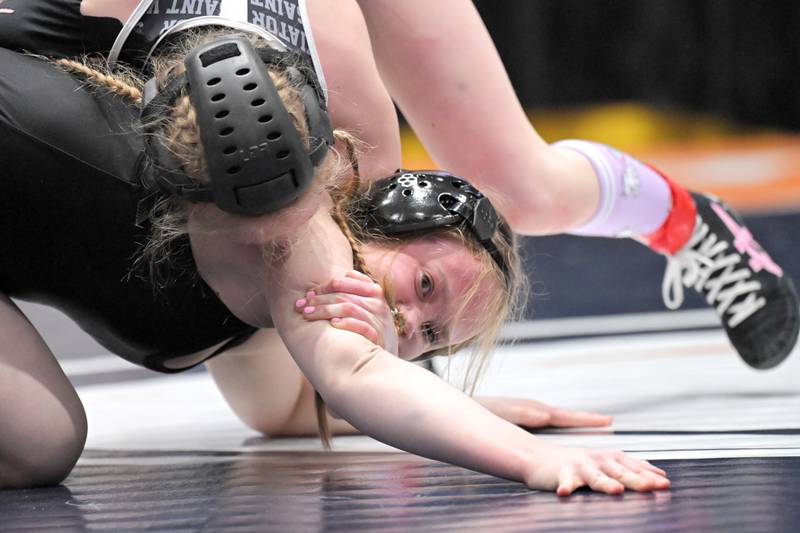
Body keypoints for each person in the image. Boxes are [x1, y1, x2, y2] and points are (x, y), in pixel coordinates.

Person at [0, 34, 670, 497]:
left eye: (432, 336)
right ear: (374, 223)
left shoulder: (270, 319)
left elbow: (286, 409)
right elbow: (354, 374)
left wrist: (474, 409)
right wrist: (535, 459)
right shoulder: (293, 216)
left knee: (39, 442)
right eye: (423, 286)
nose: (406, 322)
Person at [1, 0, 794, 368]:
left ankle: (688, 221)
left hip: (299, 53)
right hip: (215, 68)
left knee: (519, 191)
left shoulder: (355, 147)